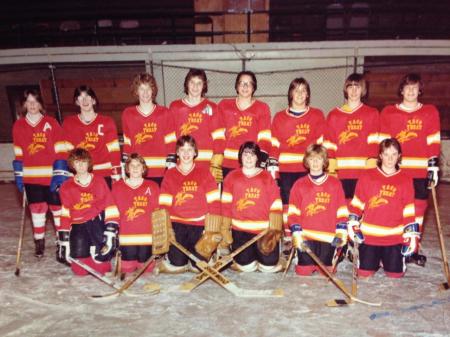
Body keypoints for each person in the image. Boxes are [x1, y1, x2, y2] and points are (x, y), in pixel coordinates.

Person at [379, 73, 440, 265]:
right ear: (401, 90)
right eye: (407, 87)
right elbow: (384, 142)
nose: (411, 91)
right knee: (394, 207)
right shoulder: (389, 112)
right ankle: (394, 244)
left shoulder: (429, 112)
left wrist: (433, 167)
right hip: (397, 170)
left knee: (418, 209)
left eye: (415, 87)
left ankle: (412, 247)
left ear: (419, 90)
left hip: (420, 170)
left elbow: (433, 141)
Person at [348, 138, 418, 278]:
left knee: (395, 275)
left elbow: (409, 210)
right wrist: (353, 224)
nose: (390, 158)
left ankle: (391, 260)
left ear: (399, 156)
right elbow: (356, 204)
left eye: (394, 154)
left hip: (394, 238)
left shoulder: (405, 179)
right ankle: (369, 257)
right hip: (369, 237)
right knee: (364, 274)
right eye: (386, 154)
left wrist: (411, 235)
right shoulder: (367, 176)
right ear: (380, 155)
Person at [12, 89, 68, 258]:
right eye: (28, 102)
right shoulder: (19, 125)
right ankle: (39, 242)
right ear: (23, 105)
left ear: (41, 104)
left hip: (51, 177)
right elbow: (19, 153)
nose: (32, 105)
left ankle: (62, 242)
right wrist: (19, 175)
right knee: (37, 211)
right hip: (32, 178)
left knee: (57, 210)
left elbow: (60, 151)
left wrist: (59, 174)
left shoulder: (51, 123)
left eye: (35, 102)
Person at [271, 77, 332, 228]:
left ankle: (305, 235)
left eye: (303, 90)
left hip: (309, 169)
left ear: (308, 95)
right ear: (290, 93)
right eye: (296, 90)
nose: (299, 93)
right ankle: (287, 238)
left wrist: (322, 169)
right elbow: (274, 147)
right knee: (287, 204)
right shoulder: (279, 117)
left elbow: (321, 145)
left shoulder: (317, 115)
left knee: (309, 203)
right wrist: (274, 174)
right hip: (286, 171)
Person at [158, 135, 221, 273]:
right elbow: (163, 205)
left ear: (195, 152)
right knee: (178, 263)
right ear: (177, 152)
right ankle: (171, 256)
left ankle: (207, 257)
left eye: (190, 149)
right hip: (177, 224)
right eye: (182, 149)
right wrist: (168, 228)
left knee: (198, 266)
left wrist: (210, 230)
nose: (186, 153)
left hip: (199, 225)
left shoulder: (204, 173)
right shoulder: (170, 174)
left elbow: (215, 203)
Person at [222, 141, 283, 272]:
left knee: (269, 266)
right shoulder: (232, 176)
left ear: (257, 158)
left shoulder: (266, 176)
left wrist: (275, 229)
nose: (249, 158)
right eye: (245, 154)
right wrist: (225, 228)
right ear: (240, 156)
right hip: (240, 230)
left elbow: (276, 203)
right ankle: (247, 258)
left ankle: (266, 257)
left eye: (252, 154)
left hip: (263, 231)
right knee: (246, 266)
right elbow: (225, 205)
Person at [287, 144, 348, 276]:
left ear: (324, 161)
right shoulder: (299, 184)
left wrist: (341, 231)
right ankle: (300, 257)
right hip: (306, 237)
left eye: (319, 159)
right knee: (303, 272)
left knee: (326, 272)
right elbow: (292, 213)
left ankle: (335, 255)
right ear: (306, 161)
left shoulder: (334, 183)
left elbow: (342, 210)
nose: (315, 162)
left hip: (328, 238)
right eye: (312, 158)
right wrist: (296, 232)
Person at [57, 148, 120, 276]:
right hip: (77, 225)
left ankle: (95, 253)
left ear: (89, 163)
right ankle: (88, 253)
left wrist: (111, 231)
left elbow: (110, 205)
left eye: (84, 162)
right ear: (72, 165)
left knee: (103, 268)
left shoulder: (99, 181)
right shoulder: (66, 186)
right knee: (79, 271)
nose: (80, 165)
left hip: (97, 223)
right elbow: (65, 213)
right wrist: (64, 241)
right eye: (77, 162)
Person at [326, 73, 379, 202]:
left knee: (361, 210)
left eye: (358, 87)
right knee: (342, 210)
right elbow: (329, 144)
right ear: (346, 89)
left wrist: (371, 171)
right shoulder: (334, 115)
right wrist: (332, 171)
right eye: (350, 87)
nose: (354, 90)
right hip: (341, 173)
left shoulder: (372, 113)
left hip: (363, 173)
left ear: (363, 90)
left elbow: (374, 144)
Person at [169, 68, 225, 183]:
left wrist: (216, 161)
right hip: (183, 161)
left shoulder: (211, 107)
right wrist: (172, 160)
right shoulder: (175, 107)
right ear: (186, 84)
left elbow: (219, 137)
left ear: (204, 86)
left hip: (206, 163)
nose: (195, 86)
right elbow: (171, 137)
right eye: (192, 82)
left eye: (199, 83)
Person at [122, 73, 177, 186]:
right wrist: (124, 168)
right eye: (141, 89)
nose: (145, 92)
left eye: (148, 88)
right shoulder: (128, 114)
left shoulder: (165, 113)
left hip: (160, 171)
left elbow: (171, 142)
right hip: (137, 172)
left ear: (153, 90)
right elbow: (127, 143)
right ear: (136, 91)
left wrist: (170, 167)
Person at [63, 85, 121, 188]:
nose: (85, 100)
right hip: (81, 175)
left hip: (104, 174)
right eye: (81, 97)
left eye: (88, 96)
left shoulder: (107, 122)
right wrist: (71, 174)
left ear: (94, 100)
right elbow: (68, 153)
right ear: (76, 102)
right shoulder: (69, 123)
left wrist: (117, 175)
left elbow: (114, 152)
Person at [112, 153, 160, 274]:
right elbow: (112, 212)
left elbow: (158, 212)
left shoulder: (152, 186)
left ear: (143, 168)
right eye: (131, 165)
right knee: (127, 268)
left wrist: (159, 235)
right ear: (127, 169)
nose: (134, 168)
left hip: (147, 237)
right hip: (127, 237)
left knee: (146, 269)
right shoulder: (117, 187)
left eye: (138, 165)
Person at [219, 71, 272, 178]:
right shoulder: (224, 105)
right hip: (227, 162)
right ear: (237, 86)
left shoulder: (262, 108)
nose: (245, 86)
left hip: (250, 163)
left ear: (254, 87)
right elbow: (218, 134)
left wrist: (259, 163)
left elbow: (265, 138)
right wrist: (217, 157)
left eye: (249, 83)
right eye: (242, 83)